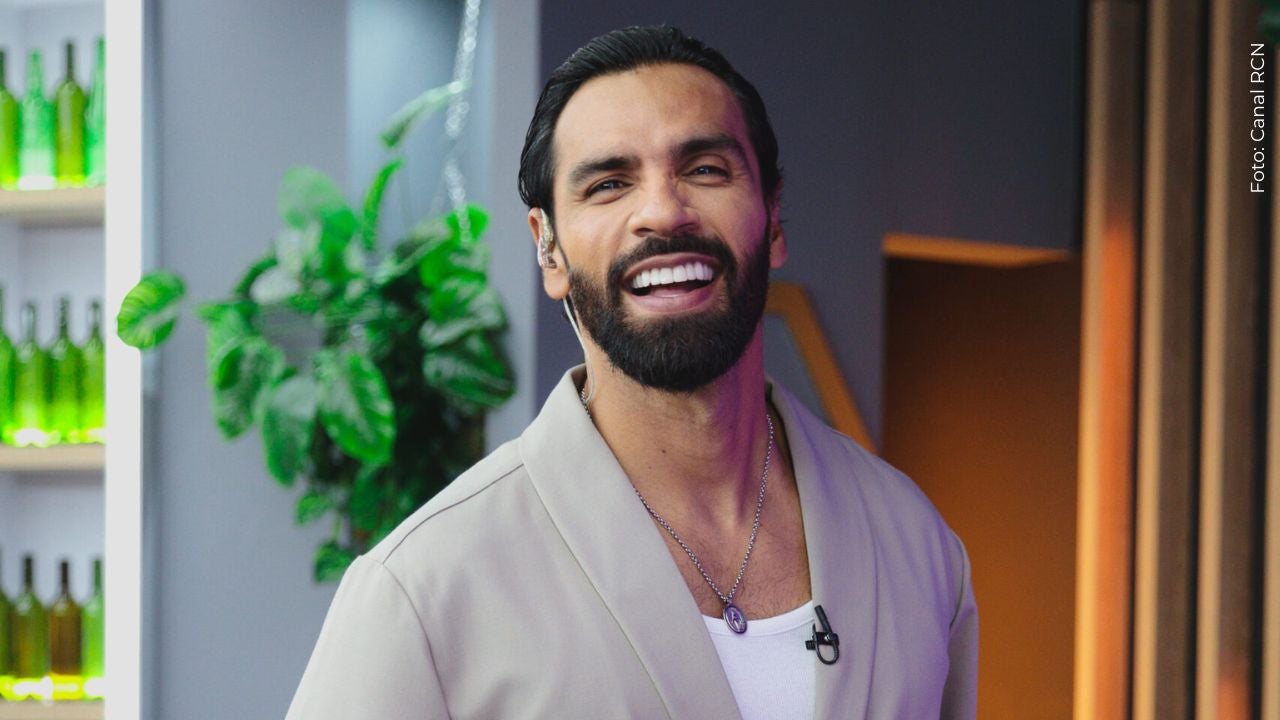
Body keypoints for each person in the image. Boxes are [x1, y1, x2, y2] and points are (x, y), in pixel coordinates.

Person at [286, 25, 977, 720]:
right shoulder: (423, 589)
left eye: (705, 170)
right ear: (549, 249)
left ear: (772, 218)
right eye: (609, 184)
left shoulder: (914, 541)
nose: (663, 212)